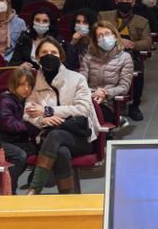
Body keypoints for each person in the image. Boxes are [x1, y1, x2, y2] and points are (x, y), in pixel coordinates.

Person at [23, 37, 101, 194]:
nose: (49, 55)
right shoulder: (34, 82)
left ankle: (34, 188)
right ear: (37, 57)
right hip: (47, 136)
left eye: (53, 52)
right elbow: (28, 112)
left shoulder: (77, 78)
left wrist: (48, 111)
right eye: (44, 52)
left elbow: (83, 109)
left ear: (61, 56)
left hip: (79, 137)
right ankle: (68, 199)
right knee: (61, 151)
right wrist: (43, 120)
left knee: (57, 136)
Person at [0, 65, 38, 191]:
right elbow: (9, 124)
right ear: (13, 85)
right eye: (22, 85)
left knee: (40, 149)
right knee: (20, 156)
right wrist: (31, 125)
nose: (26, 89)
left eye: (29, 85)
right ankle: (9, 189)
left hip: (11, 138)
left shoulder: (25, 100)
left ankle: (32, 181)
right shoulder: (6, 101)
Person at [100, 0, 151, 121]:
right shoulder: (104, 16)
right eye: (121, 0)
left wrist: (132, 44)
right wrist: (117, 41)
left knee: (138, 70)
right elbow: (96, 34)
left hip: (129, 56)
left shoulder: (142, 21)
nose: (124, 2)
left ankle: (134, 106)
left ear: (133, 2)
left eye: (127, 0)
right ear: (116, 1)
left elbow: (147, 42)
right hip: (105, 54)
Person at [79, 21, 133, 124]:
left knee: (89, 114)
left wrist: (105, 93)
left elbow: (124, 87)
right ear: (95, 41)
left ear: (115, 36)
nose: (104, 38)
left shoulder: (125, 58)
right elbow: (81, 83)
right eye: (100, 35)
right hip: (89, 99)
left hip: (110, 103)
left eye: (107, 34)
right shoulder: (88, 57)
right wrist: (93, 93)